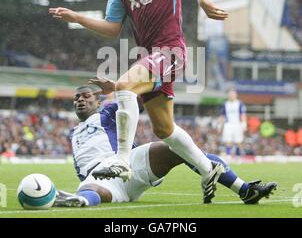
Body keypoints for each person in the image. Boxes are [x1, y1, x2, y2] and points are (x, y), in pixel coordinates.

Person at [49, 0, 229, 202]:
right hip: (151, 56)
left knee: (123, 85)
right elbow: (112, 28)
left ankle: (121, 159)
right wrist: (76, 16)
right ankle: (207, 169)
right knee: (164, 129)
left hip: (170, 50)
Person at [54, 85, 277, 207]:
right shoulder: (73, 133)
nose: (79, 100)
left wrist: (116, 87)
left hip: (128, 164)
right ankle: (80, 200)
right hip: (99, 178)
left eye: (85, 96)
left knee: (176, 148)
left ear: (98, 101)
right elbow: (80, 168)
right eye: (76, 98)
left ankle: (245, 190)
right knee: (88, 190)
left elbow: (141, 95)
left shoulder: (108, 112)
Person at [220, 88, 247, 159]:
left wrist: (244, 123)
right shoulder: (225, 104)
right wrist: (220, 125)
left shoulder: (239, 103)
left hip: (237, 124)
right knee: (228, 140)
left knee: (238, 141)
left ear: (236, 95)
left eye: (233, 94)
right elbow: (222, 115)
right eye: (230, 94)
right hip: (228, 124)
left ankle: (238, 156)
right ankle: (228, 155)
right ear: (228, 95)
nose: (231, 95)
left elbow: (243, 114)